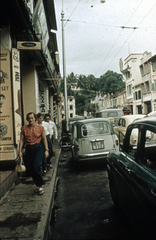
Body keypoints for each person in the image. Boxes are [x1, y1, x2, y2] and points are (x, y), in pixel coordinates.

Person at [19, 112, 49, 195]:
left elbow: (44, 139)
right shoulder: (24, 128)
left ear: (35, 118)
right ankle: (38, 185)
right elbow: (21, 140)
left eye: (32, 118)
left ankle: (40, 185)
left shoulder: (41, 128)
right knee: (31, 169)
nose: (30, 120)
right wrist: (20, 151)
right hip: (29, 149)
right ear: (27, 119)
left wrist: (46, 150)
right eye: (29, 118)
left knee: (36, 167)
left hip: (38, 149)